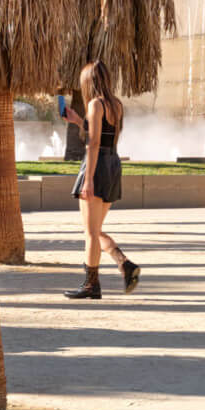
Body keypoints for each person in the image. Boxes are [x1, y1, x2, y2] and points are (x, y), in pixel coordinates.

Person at [60, 60, 140, 299]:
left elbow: (94, 143)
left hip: (97, 167)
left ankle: (91, 284)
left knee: (91, 232)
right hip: (113, 164)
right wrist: (77, 121)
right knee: (93, 229)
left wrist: (88, 180)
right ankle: (123, 264)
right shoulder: (116, 104)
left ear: (89, 82)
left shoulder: (95, 104)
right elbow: (105, 135)